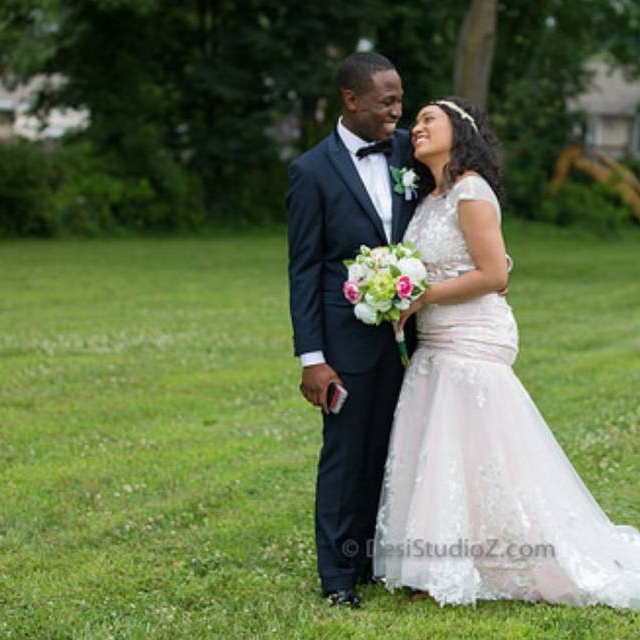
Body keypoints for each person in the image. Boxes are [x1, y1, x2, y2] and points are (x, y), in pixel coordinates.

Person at [372, 96, 640, 609]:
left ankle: (502, 559)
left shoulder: (471, 191)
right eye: (414, 121)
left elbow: (494, 274)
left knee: (483, 447)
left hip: (470, 335)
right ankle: (436, 564)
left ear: (458, 133)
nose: (415, 127)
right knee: (441, 446)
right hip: (437, 340)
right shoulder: (430, 198)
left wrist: (423, 298)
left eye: (427, 120)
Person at [286, 52, 417, 609]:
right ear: (351, 100)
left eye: (400, 99)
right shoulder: (311, 171)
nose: (397, 109)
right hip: (345, 345)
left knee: (392, 452)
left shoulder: (411, 149)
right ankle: (339, 577)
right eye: (387, 100)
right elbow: (304, 268)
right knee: (345, 459)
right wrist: (312, 358)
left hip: (414, 341)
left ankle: (374, 560)